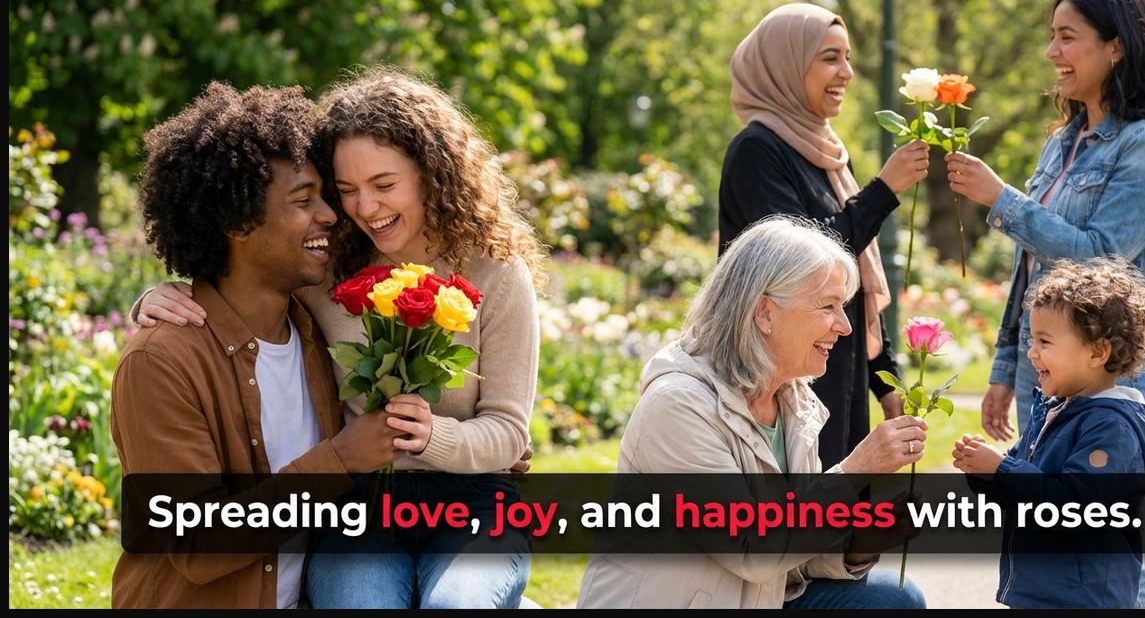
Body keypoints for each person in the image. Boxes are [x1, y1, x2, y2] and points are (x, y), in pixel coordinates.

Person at [133, 69, 542, 608]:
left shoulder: (496, 272)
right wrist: (152, 298)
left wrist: (435, 437)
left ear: (433, 173)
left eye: (384, 185)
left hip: (472, 501)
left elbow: (510, 430)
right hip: (361, 505)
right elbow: (244, 270)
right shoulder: (328, 271)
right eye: (346, 190)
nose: (363, 208)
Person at [111, 82, 405, 608]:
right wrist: (339, 459)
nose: (331, 216)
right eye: (303, 200)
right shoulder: (162, 363)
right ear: (238, 222)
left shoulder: (317, 332)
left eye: (324, 196)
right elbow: (197, 542)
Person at [578, 216, 928, 609]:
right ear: (763, 312)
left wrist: (860, 545)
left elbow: (787, 553)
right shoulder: (677, 404)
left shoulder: (793, 402)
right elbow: (753, 547)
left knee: (893, 598)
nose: (845, 326)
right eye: (828, 306)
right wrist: (854, 472)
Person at [944, 0, 1145, 438]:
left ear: (1117, 46)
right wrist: (1007, 367)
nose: (1052, 53)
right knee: (1038, 508)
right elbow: (1030, 265)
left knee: (1092, 510)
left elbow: (1101, 259)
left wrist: (1000, 198)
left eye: (1067, 38)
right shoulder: (1061, 144)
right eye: (1052, 37)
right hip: (1043, 368)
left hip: (1110, 372)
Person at [719, 3, 931, 469]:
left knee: (846, 521)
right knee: (797, 521)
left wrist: (886, 380)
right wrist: (884, 190)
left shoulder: (828, 154)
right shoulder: (757, 152)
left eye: (848, 57)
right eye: (830, 58)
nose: (847, 72)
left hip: (840, 364)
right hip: (782, 375)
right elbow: (800, 264)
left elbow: (850, 283)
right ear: (787, 65)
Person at [953, 257, 1145, 608]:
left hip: (1083, 598)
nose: (1032, 353)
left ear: (1097, 352)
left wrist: (1000, 470)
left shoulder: (1112, 427)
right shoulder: (1057, 410)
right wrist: (985, 472)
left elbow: (1074, 507)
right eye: (1032, 340)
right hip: (1043, 593)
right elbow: (1024, 485)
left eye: (1045, 342)